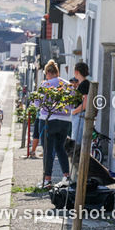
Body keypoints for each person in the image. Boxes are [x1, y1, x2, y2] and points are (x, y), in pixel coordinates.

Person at [36, 59, 72, 187]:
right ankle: (67, 177)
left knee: (48, 150)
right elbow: (72, 104)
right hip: (65, 122)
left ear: (48, 73)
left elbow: (37, 103)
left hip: (48, 120)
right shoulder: (67, 84)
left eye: (46, 74)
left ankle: (47, 181)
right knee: (60, 148)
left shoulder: (46, 85)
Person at [69, 62, 90, 144]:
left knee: (76, 143)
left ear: (77, 72)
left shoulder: (84, 84)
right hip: (79, 115)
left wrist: (74, 112)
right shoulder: (83, 84)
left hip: (79, 116)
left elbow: (85, 103)